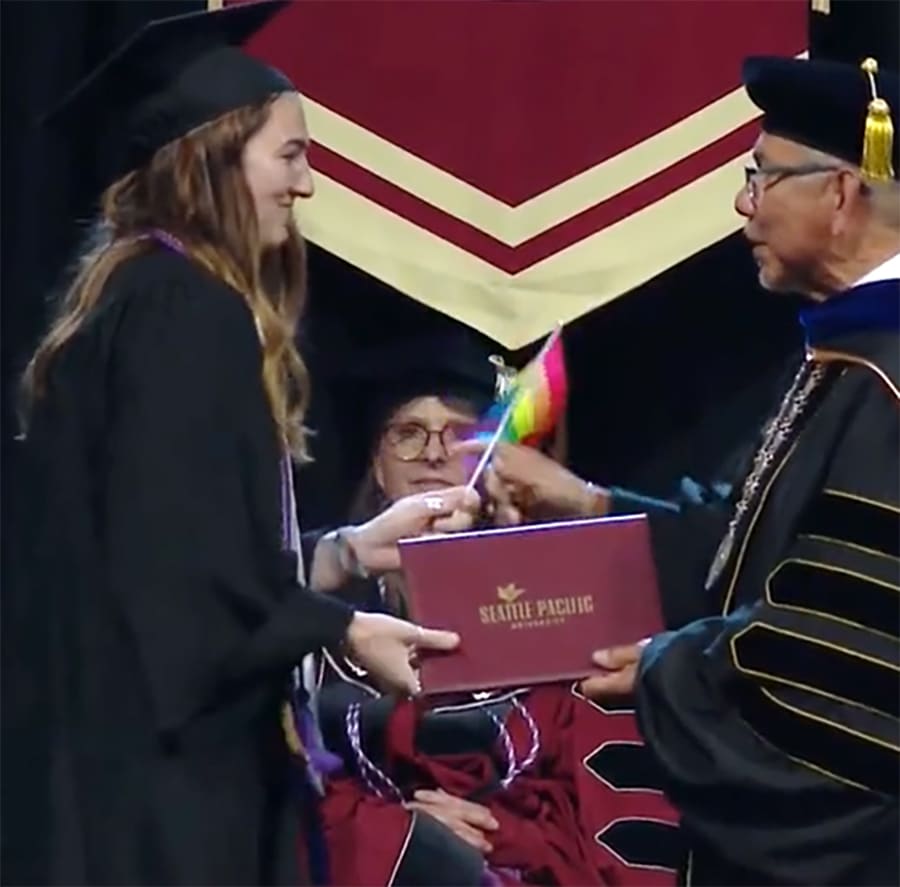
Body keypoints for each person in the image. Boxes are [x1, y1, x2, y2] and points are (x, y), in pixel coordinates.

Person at [13, 4, 479, 884]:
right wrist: (344, 628)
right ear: (214, 157)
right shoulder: (189, 312)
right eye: (291, 155)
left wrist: (341, 554)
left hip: (117, 766)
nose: (305, 187)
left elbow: (177, 550)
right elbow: (186, 595)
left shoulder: (131, 298)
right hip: (171, 799)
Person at [473, 55, 900, 885]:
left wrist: (669, 670)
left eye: (761, 177)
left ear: (841, 194)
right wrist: (586, 499)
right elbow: (752, 545)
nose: (743, 208)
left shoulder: (887, 381)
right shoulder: (843, 353)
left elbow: (842, 658)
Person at [308, 330, 680, 886]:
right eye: (408, 434)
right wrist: (403, 835)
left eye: (459, 435)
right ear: (378, 467)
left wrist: (494, 835)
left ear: (497, 463)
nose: (434, 453)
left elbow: (609, 822)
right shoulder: (317, 624)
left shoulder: (565, 618)